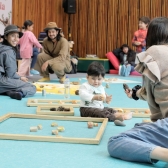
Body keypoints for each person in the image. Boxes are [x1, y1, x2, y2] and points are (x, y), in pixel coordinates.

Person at [108, 17, 168, 163]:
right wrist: (135, 94)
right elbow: (159, 86)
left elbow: (150, 88)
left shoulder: (154, 52)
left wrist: (136, 94)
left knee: (116, 141)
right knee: (140, 126)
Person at [0, 25, 36, 100]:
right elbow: (10, 75)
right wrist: (20, 78)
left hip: (2, 79)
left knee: (13, 83)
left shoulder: (1, 47)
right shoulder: (8, 51)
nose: (16, 39)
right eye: (12, 36)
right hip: (1, 81)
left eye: (17, 36)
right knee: (31, 87)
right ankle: (20, 93)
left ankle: (9, 92)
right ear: (6, 37)